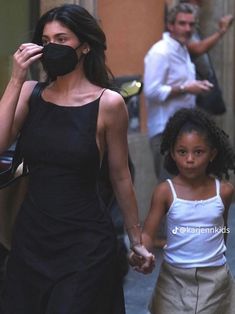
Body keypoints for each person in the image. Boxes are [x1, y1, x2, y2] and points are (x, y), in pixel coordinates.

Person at [0, 4, 154, 313]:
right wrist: (15, 80)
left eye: (62, 39)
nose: (51, 47)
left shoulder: (108, 103)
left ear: (84, 46)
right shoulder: (30, 94)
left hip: (86, 243)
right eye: (46, 41)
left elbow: (120, 176)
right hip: (32, 238)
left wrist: (135, 240)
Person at [131, 107, 235, 313]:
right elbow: (149, 235)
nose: (189, 159)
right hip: (173, 281)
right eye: (182, 152)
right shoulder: (165, 192)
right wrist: (140, 252)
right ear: (172, 153)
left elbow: (222, 229)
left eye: (198, 152)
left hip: (215, 280)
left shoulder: (223, 191)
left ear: (212, 154)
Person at [143, 3, 213, 183]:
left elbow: (178, 82)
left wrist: (195, 85)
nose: (187, 28)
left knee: (185, 191)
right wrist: (186, 88)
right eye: (182, 23)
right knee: (171, 192)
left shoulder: (182, 49)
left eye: (191, 24)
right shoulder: (161, 52)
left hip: (184, 129)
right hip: (164, 132)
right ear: (170, 25)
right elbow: (151, 90)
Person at [179, 0, 234, 115]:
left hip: (203, 83)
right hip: (195, 87)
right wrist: (222, 30)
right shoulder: (184, 17)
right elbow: (198, 48)